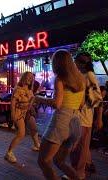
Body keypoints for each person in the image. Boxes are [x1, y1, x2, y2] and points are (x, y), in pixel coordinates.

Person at [36, 50, 85, 179]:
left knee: (43, 161)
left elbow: (57, 104)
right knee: (59, 161)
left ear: (57, 63)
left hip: (62, 121)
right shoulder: (81, 78)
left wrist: (38, 98)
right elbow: (82, 104)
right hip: (76, 123)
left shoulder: (60, 79)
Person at [70, 52, 103, 179]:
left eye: (77, 61)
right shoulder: (79, 75)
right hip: (76, 115)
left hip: (84, 116)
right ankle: (77, 171)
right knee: (76, 145)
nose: (75, 63)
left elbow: (98, 99)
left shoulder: (89, 75)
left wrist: (99, 119)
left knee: (81, 146)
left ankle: (79, 173)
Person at [4, 72, 36, 163]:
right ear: (24, 78)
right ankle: (9, 153)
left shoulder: (29, 90)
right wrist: (13, 115)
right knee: (21, 133)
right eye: (28, 77)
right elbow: (13, 102)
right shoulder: (18, 89)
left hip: (26, 113)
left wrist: (31, 104)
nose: (30, 79)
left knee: (33, 130)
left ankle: (36, 144)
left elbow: (32, 98)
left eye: (31, 78)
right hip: (18, 113)